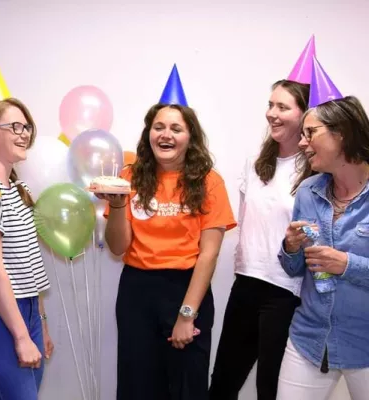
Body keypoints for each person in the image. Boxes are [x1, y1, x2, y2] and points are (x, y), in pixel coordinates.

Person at [100, 103, 236, 400]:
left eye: (176, 129)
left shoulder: (209, 182)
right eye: (159, 127)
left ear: (191, 137)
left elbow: (209, 254)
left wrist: (187, 315)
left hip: (188, 290)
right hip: (137, 292)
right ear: (148, 133)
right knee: (138, 386)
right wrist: (120, 204)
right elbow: (117, 246)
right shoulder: (128, 177)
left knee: (186, 387)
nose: (166, 135)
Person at [209, 79, 311, 400]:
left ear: (305, 115)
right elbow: (246, 222)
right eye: (270, 105)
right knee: (223, 383)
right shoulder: (255, 162)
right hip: (247, 282)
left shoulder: (314, 171)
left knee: (271, 388)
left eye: (283, 107)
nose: (272, 114)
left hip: (287, 292)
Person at [277, 95, 369, 400]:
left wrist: (346, 264)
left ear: (341, 133)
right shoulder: (307, 191)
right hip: (310, 337)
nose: (302, 143)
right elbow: (295, 268)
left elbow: (340, 265)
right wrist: (291, 247)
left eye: (311, 133)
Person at [0, 97, 53, 399]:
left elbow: (29, 260)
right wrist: (20, 335)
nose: (24, 133)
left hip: (25, 308)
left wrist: (39, 323)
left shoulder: (19, 189)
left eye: (27, 126)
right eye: (14, 126)